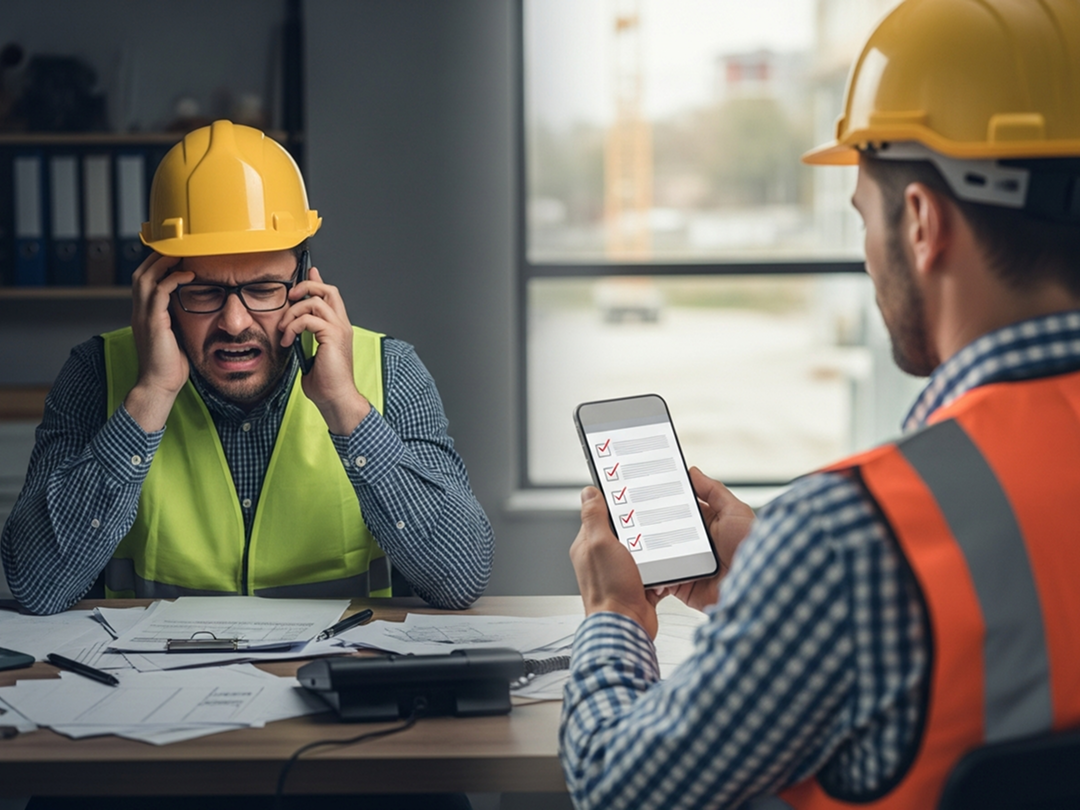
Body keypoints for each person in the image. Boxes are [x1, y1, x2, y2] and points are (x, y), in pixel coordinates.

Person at [560, 0, 1080, 807]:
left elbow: (618, 789)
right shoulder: (840, 548)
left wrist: (615, 614)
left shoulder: (847, 537)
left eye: (862, 216)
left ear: (919, 222)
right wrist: (773, 569)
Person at [1, 120, 493, 616]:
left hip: (330, 677)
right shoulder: (98, 374)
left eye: (262, 290)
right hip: (157, 687)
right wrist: (149, 396)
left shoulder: (388, 372)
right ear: (158, 288)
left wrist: (346, 407)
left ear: (303, 279)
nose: (235, 323)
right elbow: (38, 588)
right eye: (203, 292)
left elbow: (462, 577)